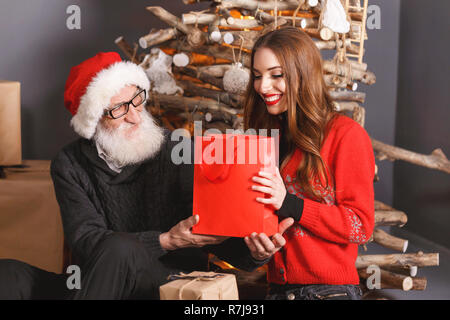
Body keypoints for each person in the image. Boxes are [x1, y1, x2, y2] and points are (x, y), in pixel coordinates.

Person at [0, 52, 292, 299]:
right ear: (94, 120)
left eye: (137, 99)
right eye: (119, 109)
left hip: (164, 279)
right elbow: (87, 242)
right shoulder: (69, 163)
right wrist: (167, 240)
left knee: (119, 247)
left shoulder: (175, 149)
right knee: (8, 274)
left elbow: (219, 235)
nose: (136, 116)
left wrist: (256, 252)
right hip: (99, 283)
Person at [245, 27, 376, 300]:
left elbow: (360, 226)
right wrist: (259, 251)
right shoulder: (265, 139)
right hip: (277, 290)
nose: (262, 86)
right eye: (257, 76)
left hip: (330, 292)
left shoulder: (346, 134)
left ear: (303, 73)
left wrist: (290, 203)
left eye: (276, 75)